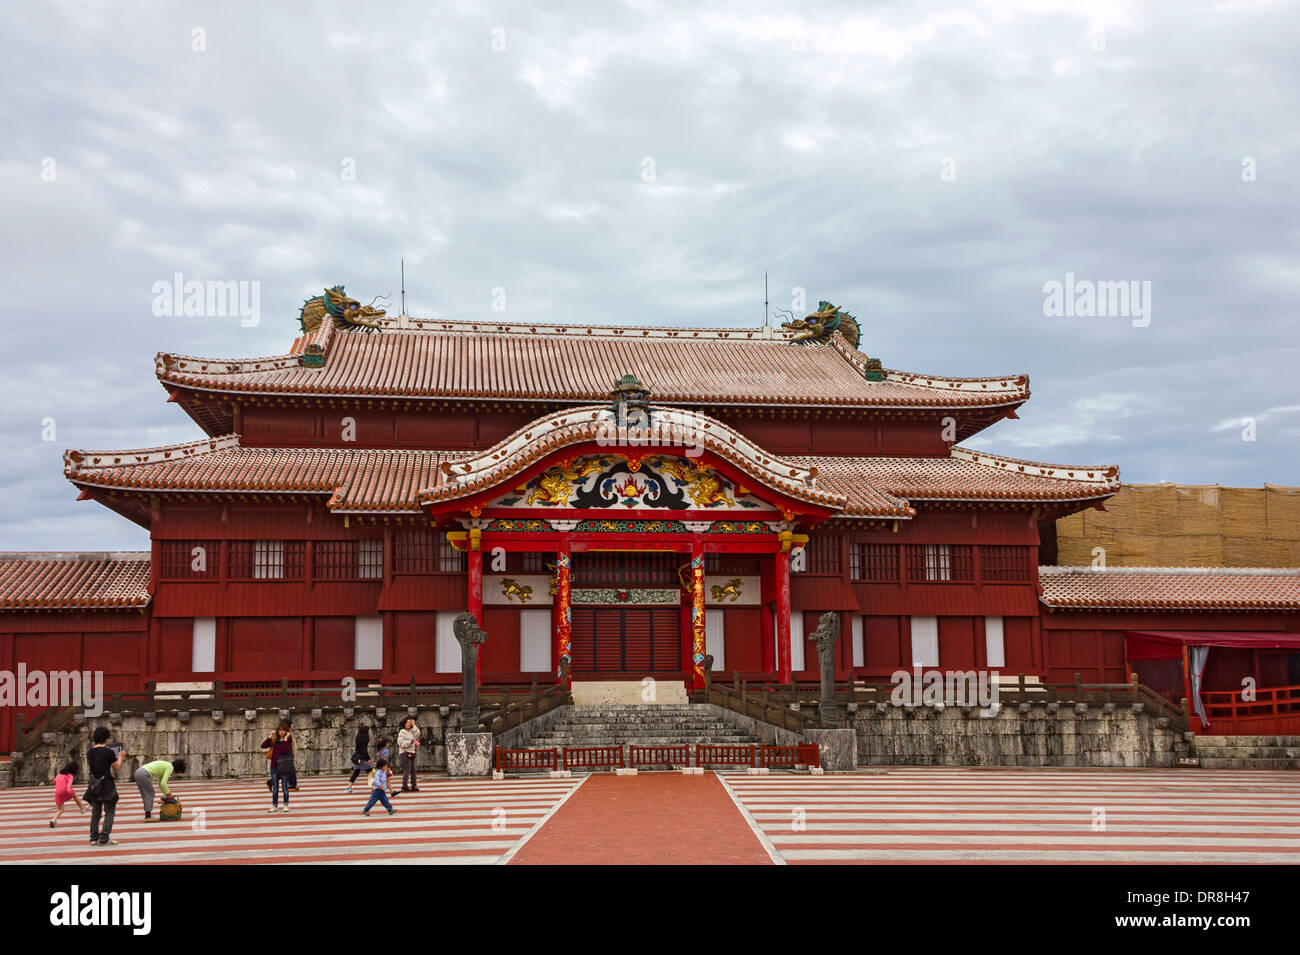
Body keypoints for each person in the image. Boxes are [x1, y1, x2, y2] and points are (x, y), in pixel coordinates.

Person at [85, 727, 123, 847]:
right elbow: (116, 767)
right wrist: (120, 756)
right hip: (106, 784)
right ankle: (104, 838)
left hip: (94, 784)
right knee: (109, 811)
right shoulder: (109, 752)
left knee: (96, 812)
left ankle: (93, 838)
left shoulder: (89, 752)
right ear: (106, 738)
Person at [260, 720, 295, 812]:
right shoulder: (274, 740)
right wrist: (270, 736)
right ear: (277, 731)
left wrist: (286, 739)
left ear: (286, 731)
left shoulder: (288, 741)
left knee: (284, 787)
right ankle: (274, 805)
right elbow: (263, 746)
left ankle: (286, 804)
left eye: (283, 730)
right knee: (275, 787)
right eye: (280, 730)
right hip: (274, 766)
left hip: (284, 766)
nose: (281, 731)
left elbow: (284, 750)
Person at [50, 755, 86, 828]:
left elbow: (54, 782)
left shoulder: (59, 774)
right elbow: (69, 784)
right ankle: (82, 808)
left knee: (60, 809)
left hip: (58, 793)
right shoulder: (70, 775)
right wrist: (69, 789)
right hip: (66, 790)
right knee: (75, 796)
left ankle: (53, 820)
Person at [397, 718, 421, 792]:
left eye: (409, 722)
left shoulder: (411, 731)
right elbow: (400, 743)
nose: (408, 724)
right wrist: (409, 742)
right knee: (407, 770)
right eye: (407, 722)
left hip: (412, 753)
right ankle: (404, 786)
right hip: (404, 752)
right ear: (404, 723)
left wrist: (414, 725)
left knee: (413, 769)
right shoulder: (402, 731)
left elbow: (417, 734)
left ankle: (414, 785)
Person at [347, 725, 371, 794]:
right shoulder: (364, 740)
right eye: (368, 731)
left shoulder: (358, 738)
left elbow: (358, 749)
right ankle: (377, 787)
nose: (369, 732)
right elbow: (364, 751)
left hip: (357, 757)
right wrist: (368, 758)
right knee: (371, 772)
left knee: (356, 772)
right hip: (361, 759)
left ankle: (349, 787)